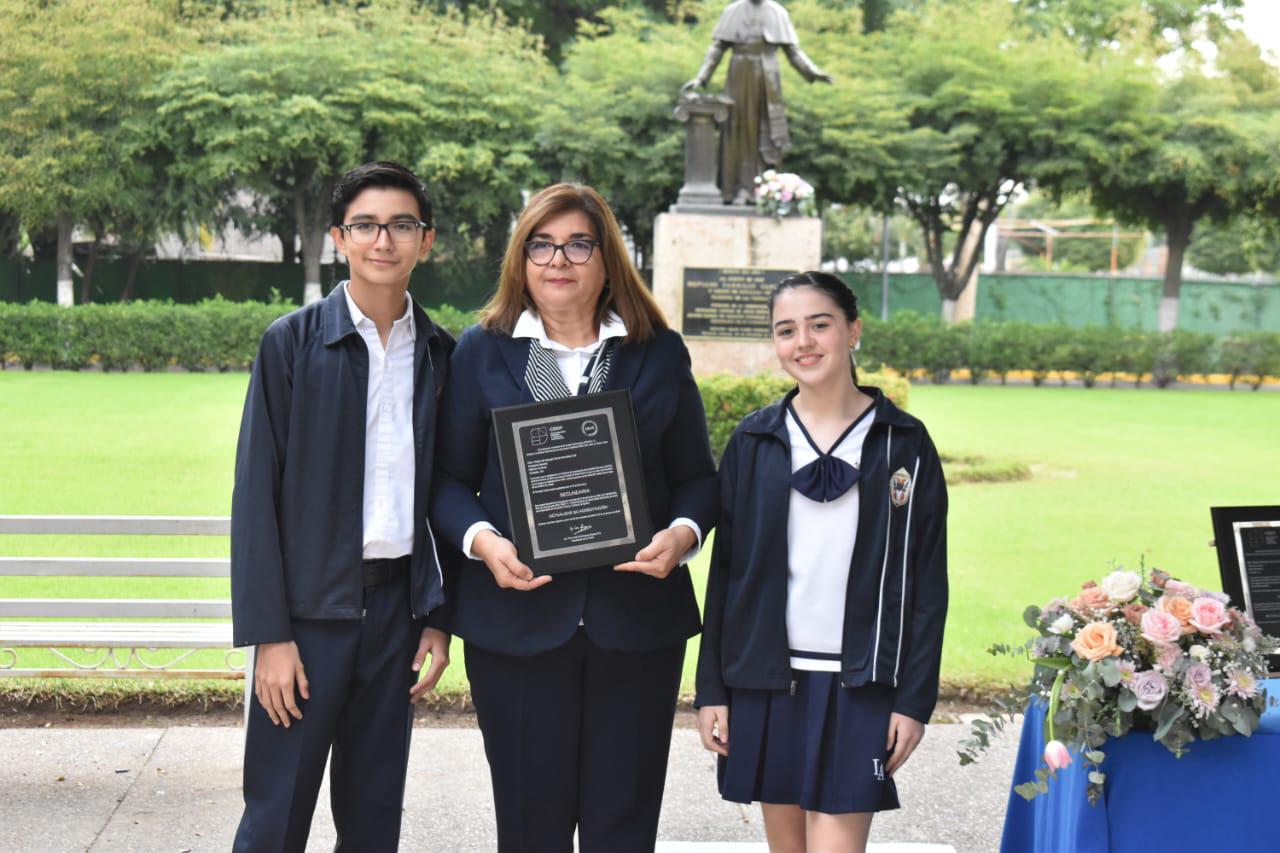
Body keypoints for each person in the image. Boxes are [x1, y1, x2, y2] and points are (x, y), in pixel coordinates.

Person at [430, 183, 718, 852]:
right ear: (521, 258)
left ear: (606, 257)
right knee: (531, 825)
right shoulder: (482, 351)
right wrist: (484, 542)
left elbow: (698, 480)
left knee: (624, 824)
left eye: (578, 244)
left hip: (637, 624)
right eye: (542, 244)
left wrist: (681, 534)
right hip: (518, 626)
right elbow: (447, 479)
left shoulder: (657, 352)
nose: (559, 259)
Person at [229, 161, 454, 852]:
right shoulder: (292, 343)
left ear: (426, 240)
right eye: (366, 225)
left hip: (396, 619)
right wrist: (271, 635)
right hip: (306, 620)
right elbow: (255, 498)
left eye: (401, 225)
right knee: (276, 816)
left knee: (373, 816)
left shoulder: (443, 354)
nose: (383, 240)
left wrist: (439, 618)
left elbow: (451, 491)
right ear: (339, 237)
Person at [694, 271, 948, 852]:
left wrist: (913, 700)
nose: (802, 342)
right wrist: (713, 689)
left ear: (852, 330)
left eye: (819, 325)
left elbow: (928, 582)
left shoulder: (902, 442)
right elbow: (727, 574)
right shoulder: (755, 441)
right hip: (767, 680)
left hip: (861, 683)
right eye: (786, 330)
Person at [681, 0, 832, 205]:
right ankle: (736, 190)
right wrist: (701, 78)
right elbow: (717, 48)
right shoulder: (733, 11)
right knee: (738, 130)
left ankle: (765, 190)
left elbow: (793, 52)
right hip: (739, 73)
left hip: (768, 75)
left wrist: (813, 72)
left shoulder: (777, 12)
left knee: (767, 130)